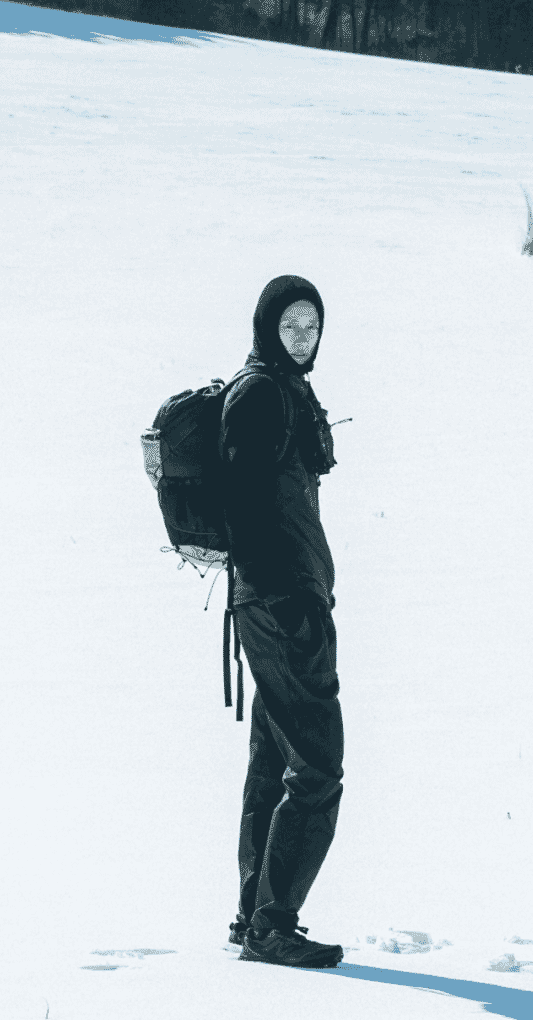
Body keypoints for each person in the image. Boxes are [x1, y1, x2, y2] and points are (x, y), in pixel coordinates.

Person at [219, 275, 344, 969]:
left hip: (284, 602)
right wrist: (287, 599)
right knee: (318, 765)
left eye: (311, 326)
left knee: (275, 762)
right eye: (290, 325)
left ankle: (253, 916)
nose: (301, 337)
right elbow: (242, 505)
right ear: (268, 328)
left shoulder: (284, 389)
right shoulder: (262, 393)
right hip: (281, 605)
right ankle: (272, 923)